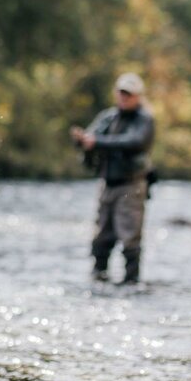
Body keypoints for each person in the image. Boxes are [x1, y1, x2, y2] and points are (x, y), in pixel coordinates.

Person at [70, 72, 154, 285]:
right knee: (101, 236)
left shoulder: (144, 120)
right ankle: (99, 276)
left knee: (129, 237)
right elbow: (91, 138)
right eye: (122, 93)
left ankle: (131, 282)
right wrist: (82, 141)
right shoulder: (108, 117)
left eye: (129, 94)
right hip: (107, 184)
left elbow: (134, 141)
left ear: (138, 96)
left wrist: (97, 142)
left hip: (131, 186)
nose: (124, 98)